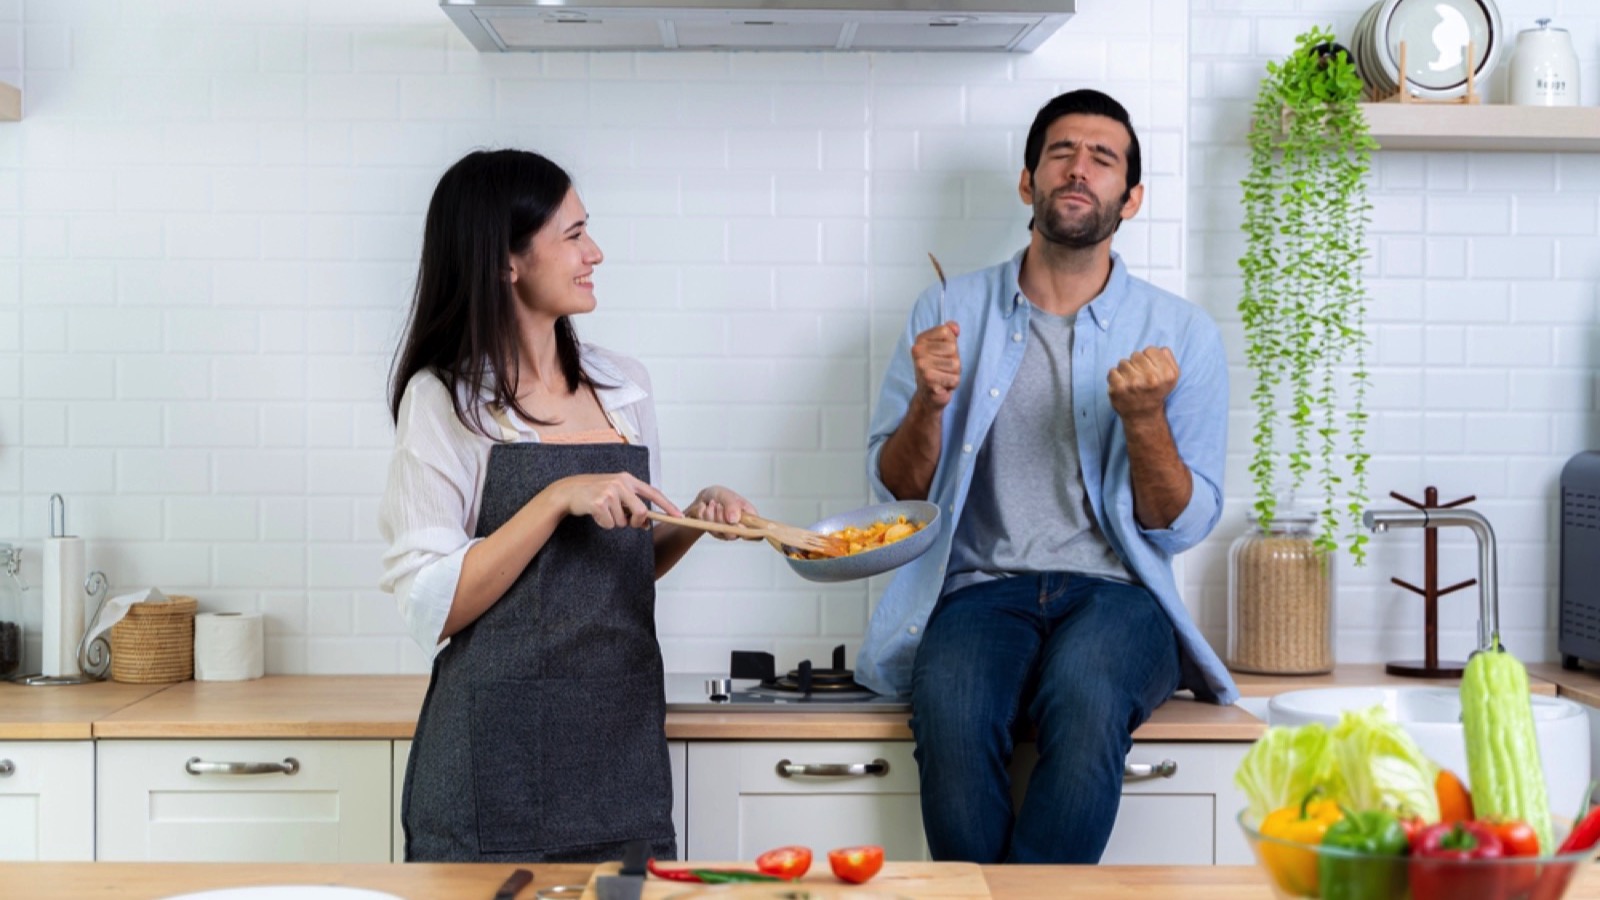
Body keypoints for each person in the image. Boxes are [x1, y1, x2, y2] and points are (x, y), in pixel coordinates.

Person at [856, 89, 1237, 864]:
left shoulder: (1182, 335)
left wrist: (1145, 422)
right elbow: (898, 496)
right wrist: (929, 404)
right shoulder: (946, 309)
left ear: (1130, 198)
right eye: (1062, 151)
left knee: (1090, 698)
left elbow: (1181, 526)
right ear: (1028, 181)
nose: (1079, 169)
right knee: (953, 713)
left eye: (1104, 158)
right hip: (977, 592)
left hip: (1120, 597)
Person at [378, 149, 754, 863]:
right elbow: (433, 606)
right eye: (573, 235)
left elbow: (619, 565)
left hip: (619, 747)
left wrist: (696, 521)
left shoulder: (623, 387)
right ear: (505, 262)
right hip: (493, 757)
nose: (596, 253)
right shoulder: (446, 401)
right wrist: (554, 499)